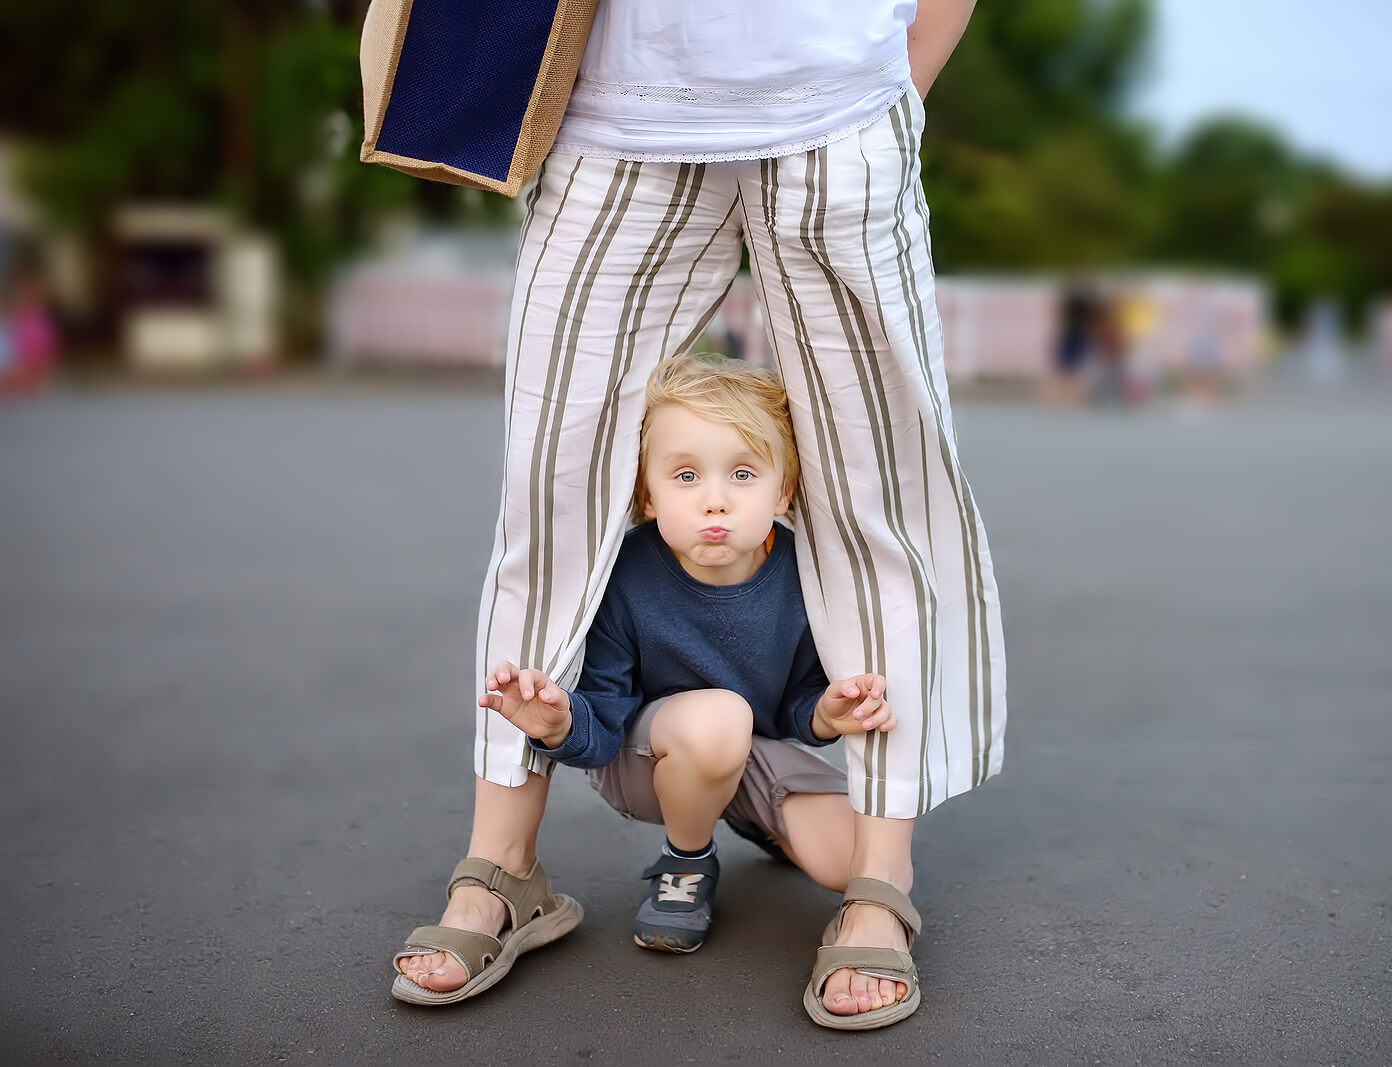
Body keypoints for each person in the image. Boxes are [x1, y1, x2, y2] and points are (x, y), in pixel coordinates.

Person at [390, 0, 1007, 1030]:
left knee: (876, 499)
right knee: (554, 489)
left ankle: (879, 880)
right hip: (616, 111)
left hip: (839, 100)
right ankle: (502, 867)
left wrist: (896, 78)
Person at [467, 353, 900, 962]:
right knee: (716, 719)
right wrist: (560, 725)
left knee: (851, 866)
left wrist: (826, 715)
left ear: (786, 488)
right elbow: (602, 728)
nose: (714, 501)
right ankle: (687, 861)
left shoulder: (808, 575)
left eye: (743, 474)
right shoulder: (623, 576)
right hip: (643, 759)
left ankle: (742, 811)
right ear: (646, 493)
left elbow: (796, 705)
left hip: (747, 751)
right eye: (686, 476)